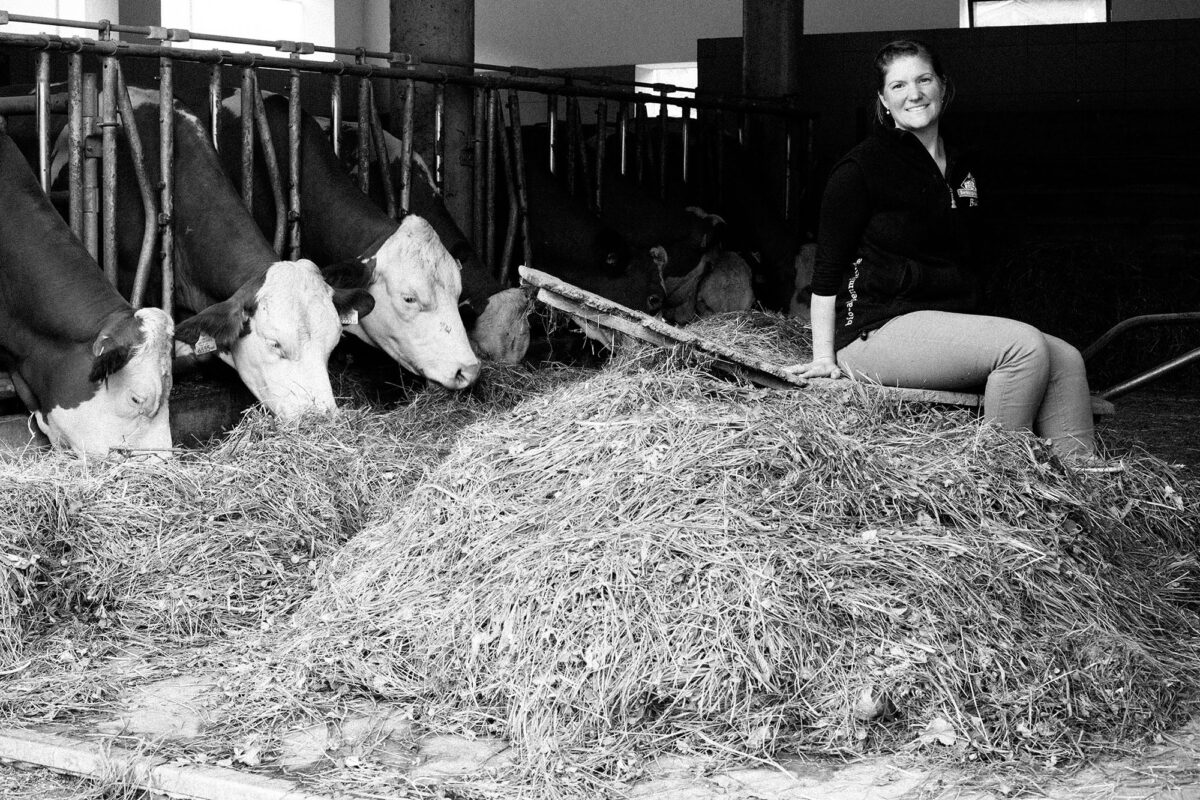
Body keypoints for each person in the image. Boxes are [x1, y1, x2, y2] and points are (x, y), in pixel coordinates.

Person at [786, 39, 1097, 462]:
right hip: (877, 330)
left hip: (942, 322)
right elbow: (826, 271)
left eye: (923, 79)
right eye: (898, 86)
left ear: (943, 86)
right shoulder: (861, 168)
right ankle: (1004, 486)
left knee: (1066, 359)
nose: (913, 93)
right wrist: (825, 358)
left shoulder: (964, 167)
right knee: (1022, 347)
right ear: (883, 100)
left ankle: (1085, 489)